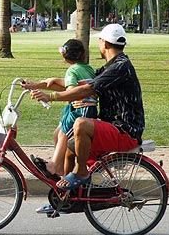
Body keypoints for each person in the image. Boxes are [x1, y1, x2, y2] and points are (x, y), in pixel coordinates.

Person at [30, 24, 145, 191]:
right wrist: (36, 85)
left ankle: (81, 172)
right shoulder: (111, 67)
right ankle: (65, 196)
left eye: (99, 41)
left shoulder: (120, 67)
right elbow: (76, 85)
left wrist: (51, 97)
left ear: (104, 43)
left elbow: (87, 90)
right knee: (70, 147)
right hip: (113, 128)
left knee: (81, 124)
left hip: (125, 131)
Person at [22, 39, 97, 181]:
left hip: (82, 110)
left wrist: (49, 96)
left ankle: (55, 165)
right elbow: (61, 84)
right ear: (83, 54)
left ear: (65, 57)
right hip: (80, 109)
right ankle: (61, 168)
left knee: (63, 133)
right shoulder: (87, 68)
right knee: (58, 133)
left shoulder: (72, 70)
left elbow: (70, 91)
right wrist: (36, 85)